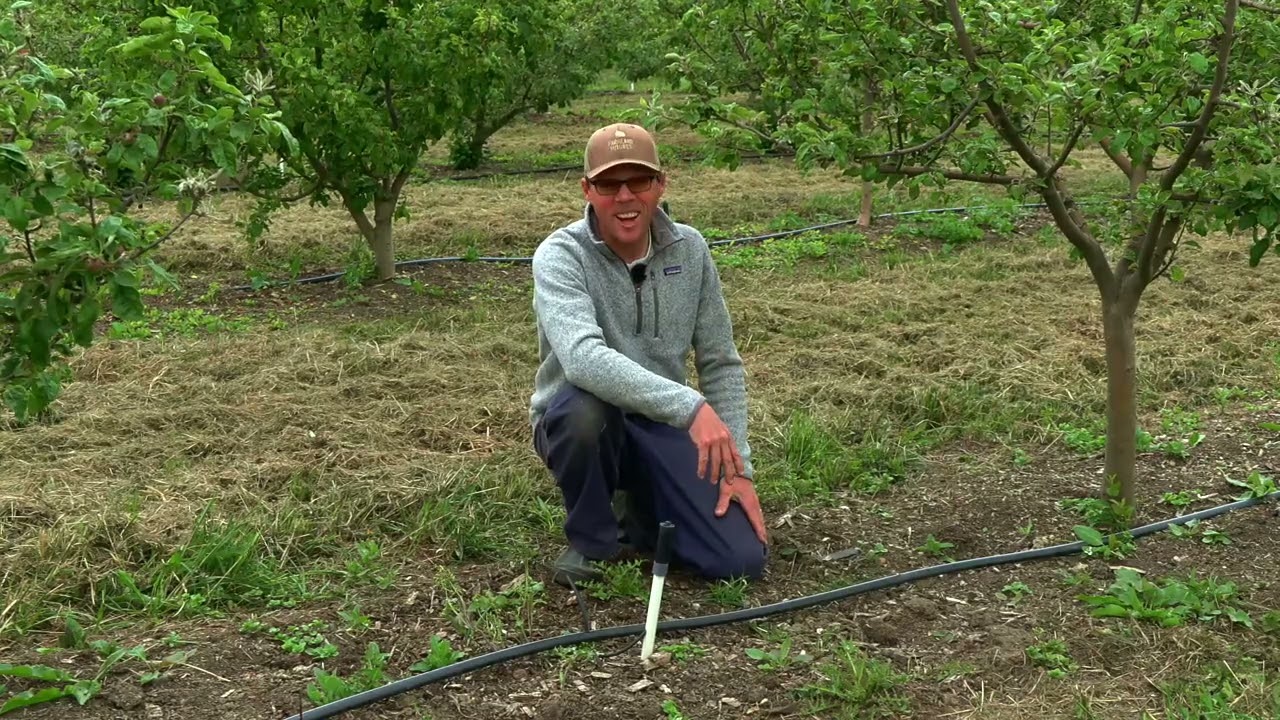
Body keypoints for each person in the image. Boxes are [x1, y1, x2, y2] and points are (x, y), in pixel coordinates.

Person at [528, 122, 768, 588]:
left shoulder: (690, 250)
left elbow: (720, 361)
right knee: (585, 413)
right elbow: (582, 358)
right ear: (587, 190)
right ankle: (591, 540)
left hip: (660, 425)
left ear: (661, 184)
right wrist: (691, 407)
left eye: (638, 180)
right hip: (583, 421)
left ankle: (640, 510)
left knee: (738, 559)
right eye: (608, 184)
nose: (625, 197)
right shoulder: (561, 255)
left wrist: (738, 468)